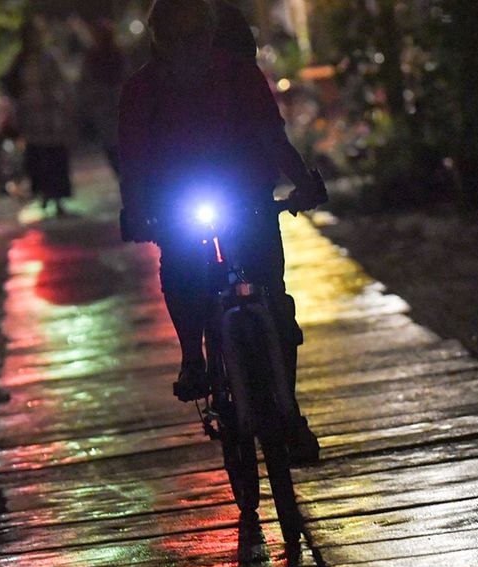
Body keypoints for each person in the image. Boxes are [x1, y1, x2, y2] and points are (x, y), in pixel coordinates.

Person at [118, 0, 326, 461]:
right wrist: (135, 210)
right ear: (161, 40)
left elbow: (272, 137)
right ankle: (193, 355)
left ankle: (289, 412)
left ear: (211, 35)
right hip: (178, 202)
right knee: (181, 266)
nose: (188, 47)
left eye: (196, 36)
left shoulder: (239, 75)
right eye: (178, 37)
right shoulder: (141, 92)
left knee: (275, 304)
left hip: (246, 195)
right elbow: (133, 163)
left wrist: (303, 183)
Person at [2, 18, 76, 216]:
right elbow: (10, 86)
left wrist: (66, 106)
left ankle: (58, 199)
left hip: (51, 118)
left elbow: (61, 83)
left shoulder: (48, 58)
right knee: (39, 159)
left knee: (55, 158)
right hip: (31, 119)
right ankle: (45, 195)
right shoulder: (20, 61)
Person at [79, 20, 126, 175]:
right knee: (111, 141)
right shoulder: (93, 56)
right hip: (105, 103)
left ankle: (122, 171)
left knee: (116, 141)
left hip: (115, 101)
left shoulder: (116, 53)